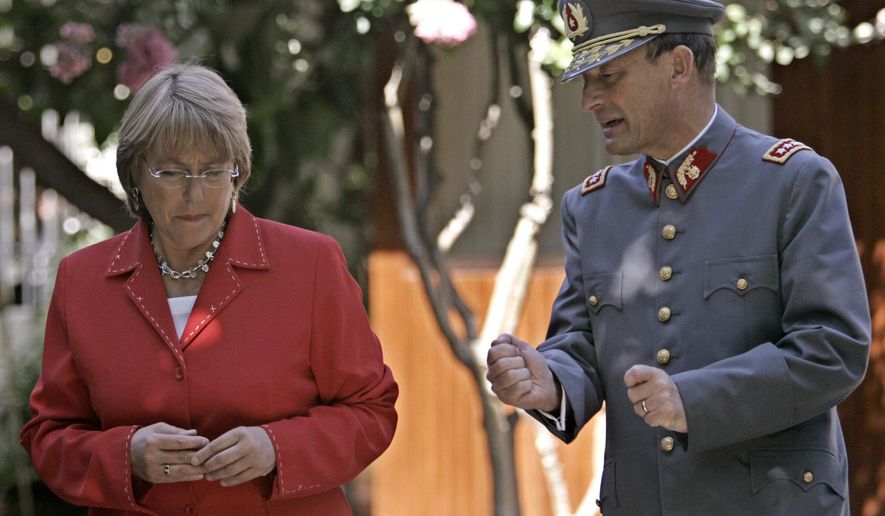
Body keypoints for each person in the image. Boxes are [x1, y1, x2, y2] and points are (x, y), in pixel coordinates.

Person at [486, 1, 870, 514]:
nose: (589, 100)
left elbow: (832, 349)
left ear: (678, 67)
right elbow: (583, 344)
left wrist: (694, 400)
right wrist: (551, 382)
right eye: (586, 80)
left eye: (608, 76)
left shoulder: (793, 182)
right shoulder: (592, 206)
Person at [21, 64, 398, 515]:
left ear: (238, 172)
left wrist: (276, 447)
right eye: (172, 173)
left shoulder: (311, 264)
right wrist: (126, 456)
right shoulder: (81, 280)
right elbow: (49, 435)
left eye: (214, 171)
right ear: (136, 172)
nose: (195, 194)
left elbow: (371, 411)